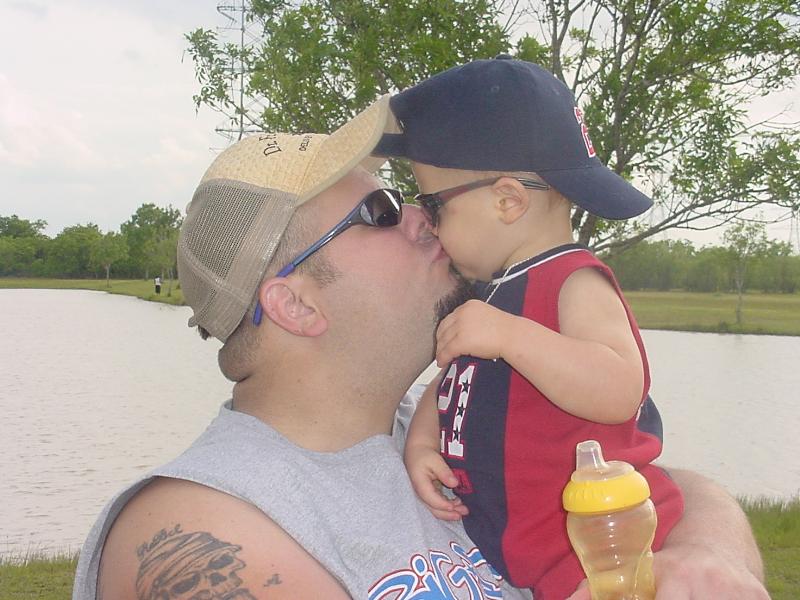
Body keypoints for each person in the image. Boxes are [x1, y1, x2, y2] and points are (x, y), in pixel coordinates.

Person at [72, 98, 768, 600]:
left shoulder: (445, 423)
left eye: (409, 198)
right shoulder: (204, 525)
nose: (420, 216)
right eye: (378, 213)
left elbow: (681, 484)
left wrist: (706, 554)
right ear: (295, 303)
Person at [373, 56, 683, 598]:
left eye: (433, 204)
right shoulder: (489, 296)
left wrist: (511, 337)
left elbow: (619, 388)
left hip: (594, 542)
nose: (429, 224)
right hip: (525, 549)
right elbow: (452, 378)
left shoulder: (573, 280)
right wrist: (421, 443)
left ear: (508, 201)